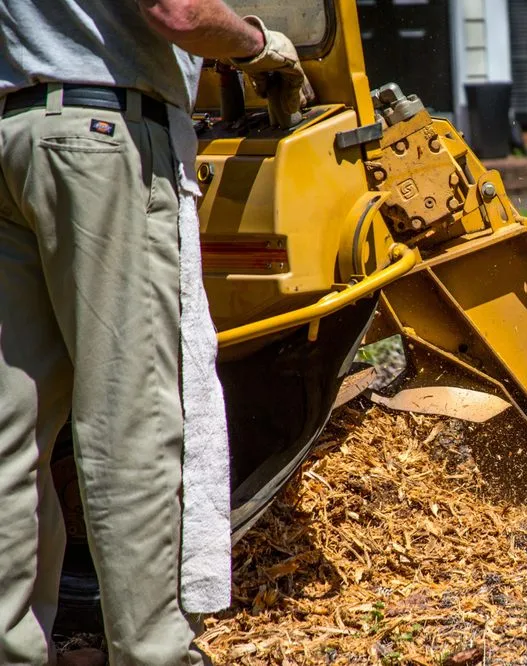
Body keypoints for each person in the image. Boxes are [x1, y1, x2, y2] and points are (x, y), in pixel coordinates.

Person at [0, 1, 311, 664]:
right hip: (99, 140)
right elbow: (177, 10)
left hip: (8, 138)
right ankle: (153, 652)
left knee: (9, 434)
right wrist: (258, 45)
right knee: (129, 419)